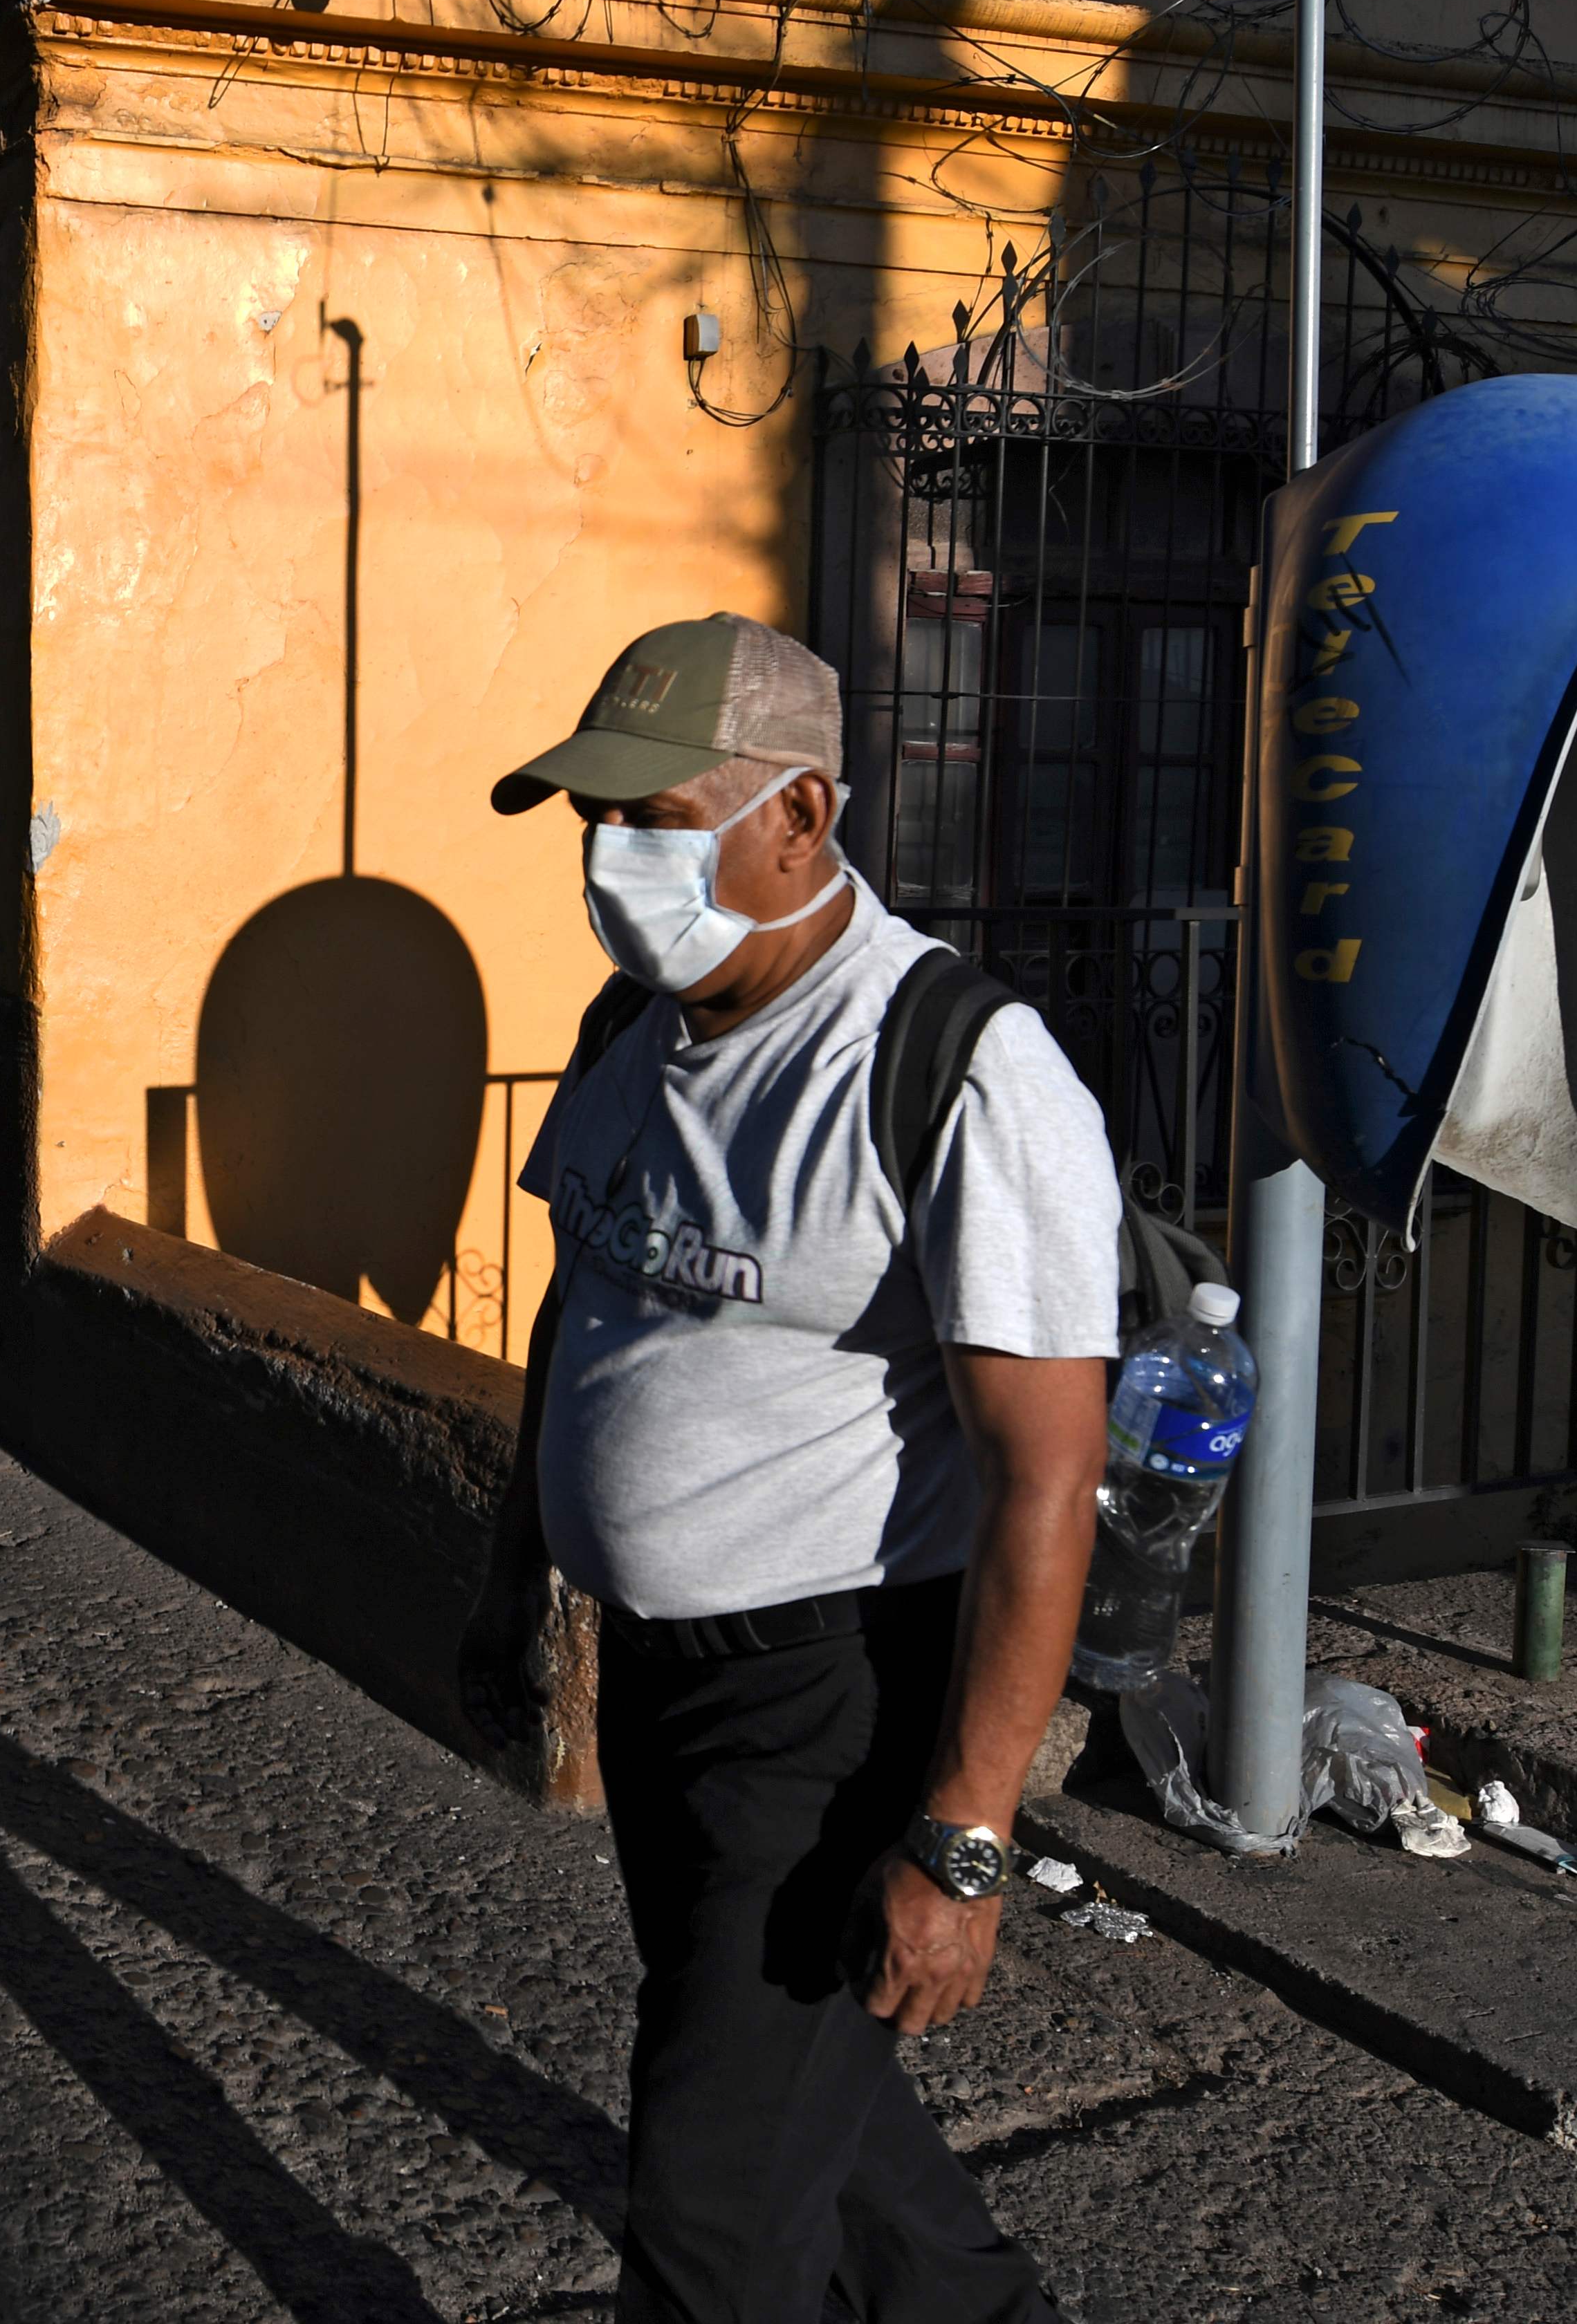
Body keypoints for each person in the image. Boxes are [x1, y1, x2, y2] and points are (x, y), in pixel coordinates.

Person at [461, 612, 1117, 2324]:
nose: (610, 863)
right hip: (661, 1690)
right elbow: (582, 1309)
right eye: (593, 822)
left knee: (710, 2215)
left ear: (803, 816)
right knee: (810, 2107)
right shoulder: (633, 1024)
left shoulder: (956, 1068)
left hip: (831, 1704)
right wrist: (514, 1562)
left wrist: (965, 1841)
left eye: (652, 819)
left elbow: (1046, 1480)